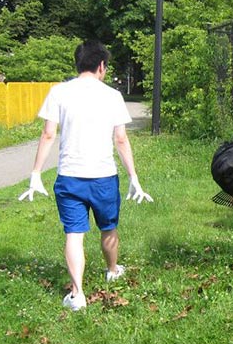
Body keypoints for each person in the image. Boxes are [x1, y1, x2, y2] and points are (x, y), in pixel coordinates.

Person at [18, 40, 153, 311]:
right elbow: (121, 139)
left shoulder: (59, 92)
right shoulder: (112, 95)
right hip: (103, 177)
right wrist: (134, 177)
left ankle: (77, 294)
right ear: (102, 65)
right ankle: (112, 269)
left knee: (74, 234)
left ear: (77, 63)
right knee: (109, 228)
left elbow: (48, 134)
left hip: (69, 177)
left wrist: (35, 173)